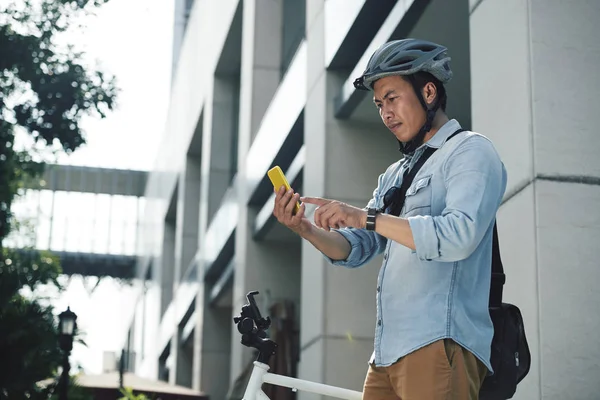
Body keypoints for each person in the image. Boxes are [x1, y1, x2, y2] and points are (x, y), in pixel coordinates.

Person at [272, 38, 507, 400]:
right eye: (379, 104)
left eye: (393, 99)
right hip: (385, 356)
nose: (385, 113)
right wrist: (303, 227)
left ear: (428, 92)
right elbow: (358, 248)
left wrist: (365, 217)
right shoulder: (396, 174)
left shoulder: (470, 150)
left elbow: (460, 234)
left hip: (439, 344)